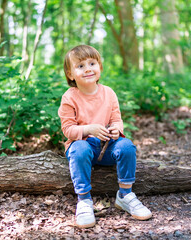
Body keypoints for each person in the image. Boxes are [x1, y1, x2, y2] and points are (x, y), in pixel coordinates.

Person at [58, 45, 152, 228]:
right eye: (80, 66)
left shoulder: (108, 93)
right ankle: (84, 201)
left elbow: (117, 120)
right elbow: (68, 130)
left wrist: (116, 129)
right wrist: (88, 129)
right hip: (82, 147)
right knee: (80, 149)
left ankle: (125, 195)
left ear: (99, 67)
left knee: (126, 146)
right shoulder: (69, 97)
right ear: (70, 74)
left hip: (106, 146)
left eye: (92, 63)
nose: (87, 69)